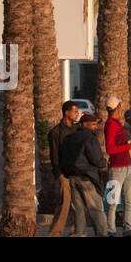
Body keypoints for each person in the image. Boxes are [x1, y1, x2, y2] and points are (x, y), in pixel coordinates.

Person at [60, 113, 109, 236]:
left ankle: (79, 234)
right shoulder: (90, 138)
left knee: (78, 210)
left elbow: (62, 157)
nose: (95, 127)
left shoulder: (69, 138)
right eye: (93, 124)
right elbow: (97, 160)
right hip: (87, 177)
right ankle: (102, 234)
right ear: (85, 125)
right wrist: (104, 162)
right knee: (96, 210)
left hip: (72, 176)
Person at [103, 97, 131, 236]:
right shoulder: (110, 125)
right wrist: (130, 146)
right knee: (113, 201)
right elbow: (110, 149)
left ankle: (128, 229)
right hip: (116, 168)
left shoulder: (116, 124)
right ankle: (110, 230)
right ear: (118, 107)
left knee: (128, 200)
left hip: (126, 167)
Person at [47, 101, 82, 236]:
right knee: (64, 204)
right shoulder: (55, 132)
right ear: (66, 112)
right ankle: (55, 232)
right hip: (63, 173)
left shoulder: (77, 129)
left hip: (76, 172)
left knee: (77, 204)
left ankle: (75, 230)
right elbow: (54, 155)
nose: (77, 114)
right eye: (75, 111)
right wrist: (59, 175)